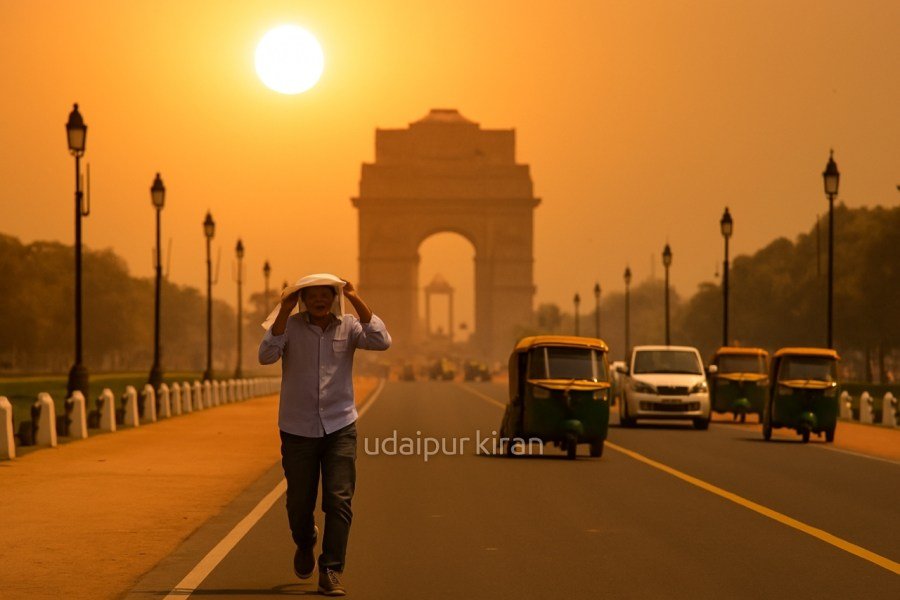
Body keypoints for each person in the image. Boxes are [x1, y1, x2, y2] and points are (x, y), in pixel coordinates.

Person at [259, 274, 391, 596]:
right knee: (299, 504)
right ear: (303, 300)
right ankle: (305, 541)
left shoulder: (349, 326)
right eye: (312, 295)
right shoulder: (288, 327)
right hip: (297, 428)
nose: (319, 299)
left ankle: (331, 570)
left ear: (334, 298)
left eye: (325, 294)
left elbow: (381, 340)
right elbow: (266, 356)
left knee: (339, 500)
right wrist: (283, 310)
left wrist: (355, 297)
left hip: (340, 425)